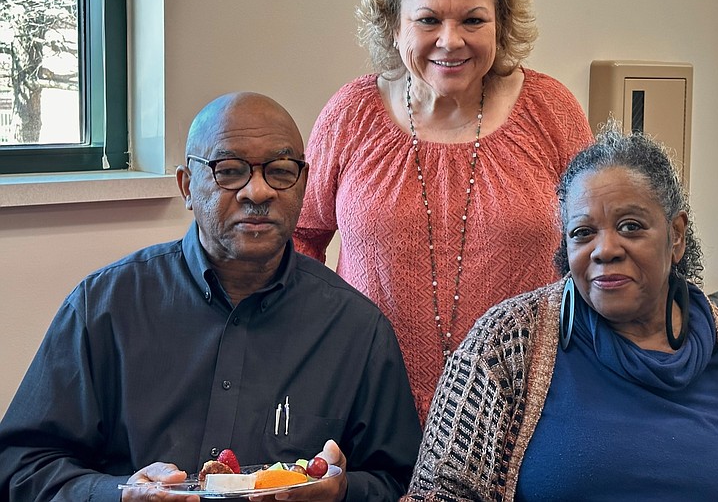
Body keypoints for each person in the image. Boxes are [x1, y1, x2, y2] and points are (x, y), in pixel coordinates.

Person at [0, 92, 421, 502]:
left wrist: (343, 490)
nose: (257, 192)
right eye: (229, 170)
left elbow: (401, 480)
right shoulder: (105, 308)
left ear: (304, 184)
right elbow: (20, 466)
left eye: (279, 170)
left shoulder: (356, 330)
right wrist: (119, 494)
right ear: (187, 186)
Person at [293, 0, 593, 422]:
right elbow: (301, 237)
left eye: (473, 20)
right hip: (368, 402)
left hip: (528, 405)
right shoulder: (350, 114)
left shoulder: (550, 110)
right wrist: (315, 348)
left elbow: (593, 245)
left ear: (501, 23)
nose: (450, 41)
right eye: (428, 20)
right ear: (394, 26)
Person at [401, 125, 718, 501]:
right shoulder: (503, 346)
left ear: (676, 234)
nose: (604, 249)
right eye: (583, 232)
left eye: (630, 226)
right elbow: (439, 492)